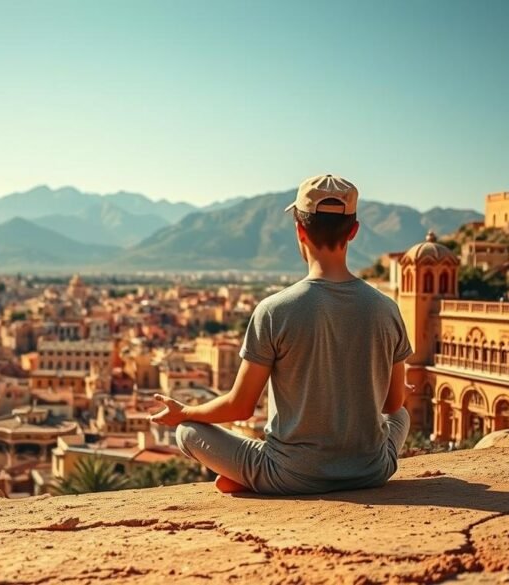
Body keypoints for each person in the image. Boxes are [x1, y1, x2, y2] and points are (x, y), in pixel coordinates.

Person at [150, 174, 412, 495]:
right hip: (372, 470)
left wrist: (184, 413)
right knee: (402, 416)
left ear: (300, 231)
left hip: (290, 476)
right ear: (354, 231)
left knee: (187, 433)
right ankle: (248, 476)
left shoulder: (275, 310)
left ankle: (251, 477)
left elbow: (239, 407)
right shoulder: (387, 308)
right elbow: (393, 403)